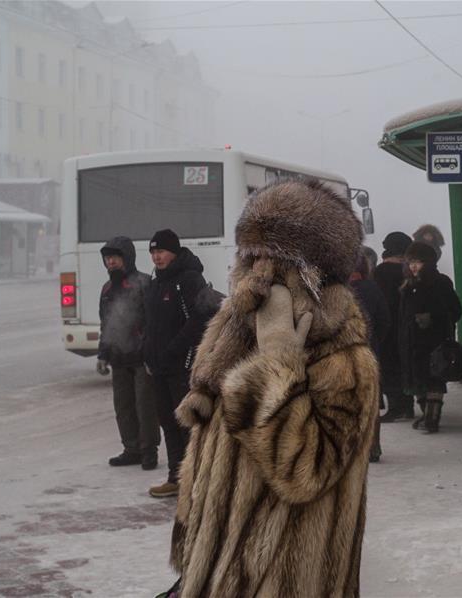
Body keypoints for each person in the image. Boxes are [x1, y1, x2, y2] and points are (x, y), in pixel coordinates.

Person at [167, 180, 378, 596]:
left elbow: (308, 473)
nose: (257, 276)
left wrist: (279, 365)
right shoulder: (233, 342)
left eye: (274, 261)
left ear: (316, 274)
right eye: (250, 259)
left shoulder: (347, 362)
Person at [143, 229, 207, 498]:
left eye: (161, 251)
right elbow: (150, 324)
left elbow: (199, 320)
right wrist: (146, 352)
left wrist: (175, 350)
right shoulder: (157, 283)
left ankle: (196, 479)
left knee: (187, 424)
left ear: (174, 251)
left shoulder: (188, 280)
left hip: (182, 365)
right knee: (168, 422)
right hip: (158, 367)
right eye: (153, 252)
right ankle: (176, 478)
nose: (157, 257)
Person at [97, 236, 160, 469]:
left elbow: (154, 322)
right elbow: (106, 323)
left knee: (145, 407)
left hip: (141, 357)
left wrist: (151, 352)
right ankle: (131, 448)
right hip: (118, 357)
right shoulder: (106, 289)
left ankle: (149, 450)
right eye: (107, 259)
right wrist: (103, 354)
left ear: (127, 258)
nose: (111, 262)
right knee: (123, 407)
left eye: (115, 258)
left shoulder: (144, 283)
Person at [399, 241, 462, 433]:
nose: (414, 266)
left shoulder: (441, 282)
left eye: (418, 262)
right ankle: (427, 415)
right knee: (419, 380)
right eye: (411, 262)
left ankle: (432, 419)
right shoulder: (408, 286)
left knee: (435, 379)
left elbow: (455, 310)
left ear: (428, 262)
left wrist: (432, 317)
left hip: (435, 341)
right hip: (413, 342)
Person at [349, 248, 390, 463]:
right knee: (370, 401)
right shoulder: (372, 288)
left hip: (344, 355)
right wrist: (374, 341)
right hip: (369, 352)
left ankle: (353, 448)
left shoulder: (337, 290)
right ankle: (373, 446)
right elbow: (384, 319)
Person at [375, 231, 415, 422]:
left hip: (388, 327)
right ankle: (408, 406)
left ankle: (395, 408)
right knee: (406, 364)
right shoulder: (410, 270)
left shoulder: (380, 271)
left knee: (389, 366)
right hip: (407, 324)